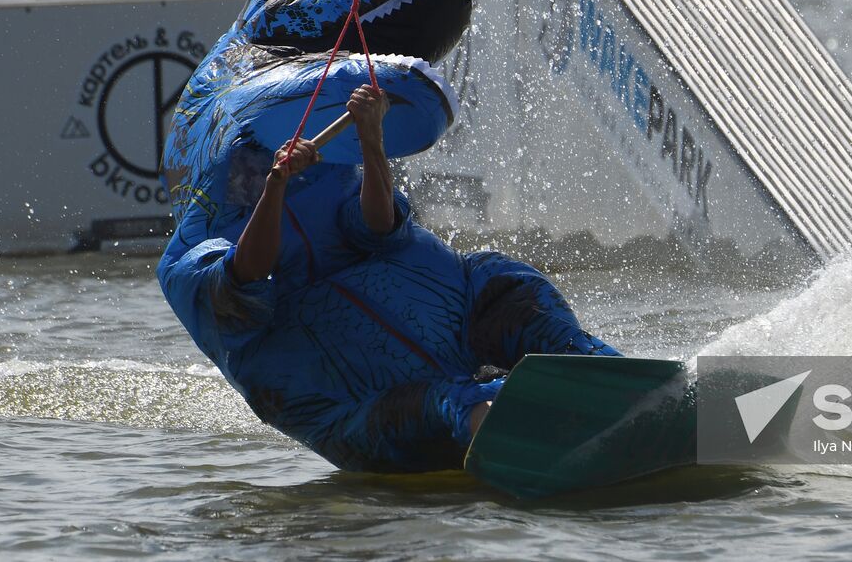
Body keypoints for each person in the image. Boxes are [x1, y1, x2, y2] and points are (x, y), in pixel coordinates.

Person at [159, 84, 620, 472]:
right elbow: (244, 279)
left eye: (257, 163)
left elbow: (379, 227)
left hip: (455, 320)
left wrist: (370, 136)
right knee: (444, 402)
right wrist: (275, 187)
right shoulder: (187, 255)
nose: (252, 173)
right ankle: (542, 448)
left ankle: (622, 381)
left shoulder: (325, 172)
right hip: (357, 408)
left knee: (503, 282)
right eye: (241, 168)